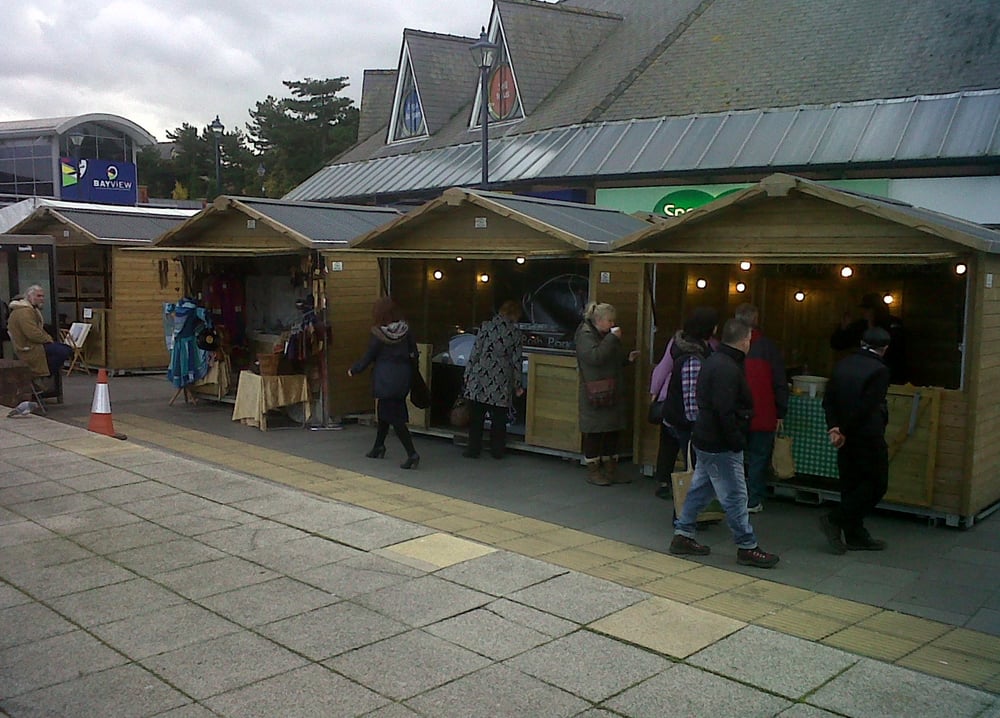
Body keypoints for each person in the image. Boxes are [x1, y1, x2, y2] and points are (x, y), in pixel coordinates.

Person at [669, 318, 780, 569]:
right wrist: (737, 440)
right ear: (743, 341)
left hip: (706, 437)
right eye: (749, 339)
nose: (750, 343)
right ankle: (746, 545)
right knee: (735, 495)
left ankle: (683, 533)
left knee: (702, 487)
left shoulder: (714, 361)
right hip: (721, 442)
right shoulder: (728, 368)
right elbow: (725, 410)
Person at [820, 326, 891, 553]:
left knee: (851, 483)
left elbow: (828, 400)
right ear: (884, 348)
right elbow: (867, 407)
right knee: (876, 483)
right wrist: (845, 430)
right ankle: (836, 519)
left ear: (862, 342)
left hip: (844, 436)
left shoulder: (842, 364)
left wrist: (835, 428)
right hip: (867, 435)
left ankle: (855, 533)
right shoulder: (879, 371)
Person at [649, 307, 718, 499]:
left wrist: (654, 392)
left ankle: (663, 481)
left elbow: (663, 368)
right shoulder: (709, 347)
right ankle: (688, 493)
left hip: (668, 396)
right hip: (688, 404)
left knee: (668, 444)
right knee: (690, 449)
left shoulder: (676, 341)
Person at [348, 297, 420, 470]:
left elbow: (369, 356)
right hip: (402, 378)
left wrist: (354, 370)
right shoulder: (406, 330)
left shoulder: (378, 334)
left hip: (385, 379)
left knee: (395, 418)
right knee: (385, 413)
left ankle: (412, 453)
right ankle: (378, 446)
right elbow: (414, 354)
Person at [575, 302, 640, 486]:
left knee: (612, 431)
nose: (613, 324)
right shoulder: (585, 335)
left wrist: (627, 359)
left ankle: (611, 469)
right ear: (599, 320)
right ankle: (594, 470)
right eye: (610, 320)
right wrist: (612, 339)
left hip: (611, 391)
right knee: (595, 432)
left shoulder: (604, 335)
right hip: (594, 393)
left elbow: (610, 357)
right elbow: (595, 358)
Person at [735, 303, 788, 513]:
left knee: (734, 456)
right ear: (756, 319)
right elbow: (779, 380)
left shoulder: (729, 346)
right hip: (763, 411)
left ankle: (733, 498)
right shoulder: (767, 347)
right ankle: (752, 500)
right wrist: (781, 410)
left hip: (736, 412)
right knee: (759, 457)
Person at [462, 300, 524, 459]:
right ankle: (497, 451)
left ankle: (473, 450)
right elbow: (516, 361)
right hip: (501, 379)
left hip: (480, 376)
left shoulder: (486, 327)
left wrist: (468, 373)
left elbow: (476, 351)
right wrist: (517, 384)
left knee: (476, 418)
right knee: (499, 419)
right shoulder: (515, 333)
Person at [831, 293, 906, 384]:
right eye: (865, 309)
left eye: (868, 309)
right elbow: (838, 344)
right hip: (862, 373)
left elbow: (899, 351)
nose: (864, 312)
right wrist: (843, 328)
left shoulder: (893, 325)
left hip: (888, 372)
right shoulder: (859, 327)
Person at [7, 285, 72, 381]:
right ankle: (41, 377)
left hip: (33, 345)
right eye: (38, 296)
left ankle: (44, 375)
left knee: (64, 349)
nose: (42, 299)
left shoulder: (28, 310)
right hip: (29, 347)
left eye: (42, 296)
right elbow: (32, 334)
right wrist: (48, 340)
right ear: (30, 297)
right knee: (64, 351)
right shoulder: (24, 312)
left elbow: (37, 331)